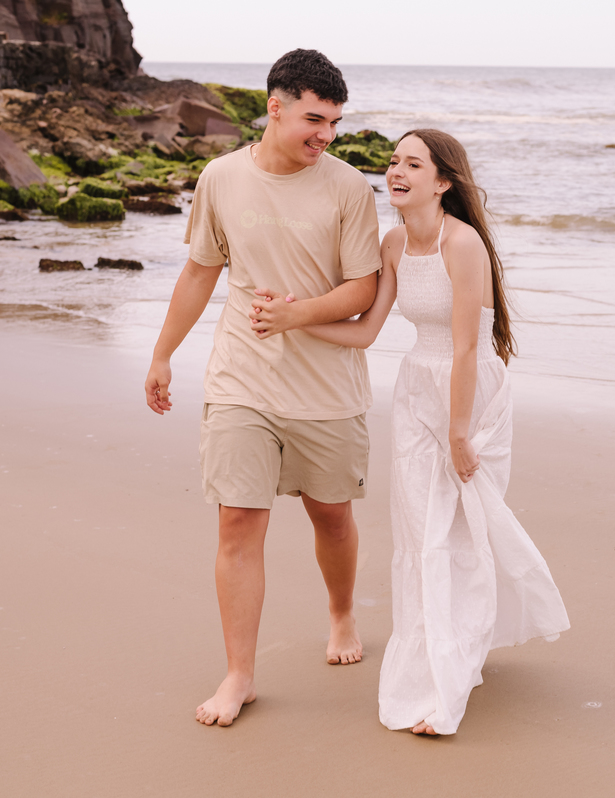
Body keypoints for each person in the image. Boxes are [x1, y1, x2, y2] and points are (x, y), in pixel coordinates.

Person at [297, 129, 570, 736]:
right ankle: (431, 656)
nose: (396, 171)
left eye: (412, 164)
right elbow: (366, 331)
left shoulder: (463, 242)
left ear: (443, 181)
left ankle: (457, 657)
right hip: (417, 384)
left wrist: (458, 431)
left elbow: (469, 346)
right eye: (393, 161)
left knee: (462, 527)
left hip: (469, 396)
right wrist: (297, 322)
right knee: (419, 530)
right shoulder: (393, 242)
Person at [143, 49, 382, 728]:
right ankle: (239, 675)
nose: (326, 135)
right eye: (314, 118)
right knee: (238, 522)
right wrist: (162, 355)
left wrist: (296, 314)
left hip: (326, 387)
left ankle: (340, 613)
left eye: (334, 122)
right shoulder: (220, 177)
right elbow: (199, 272)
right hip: (241, 378)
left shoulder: (346, 188)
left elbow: (363, 289)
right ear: (274, 107)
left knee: (330, 514)